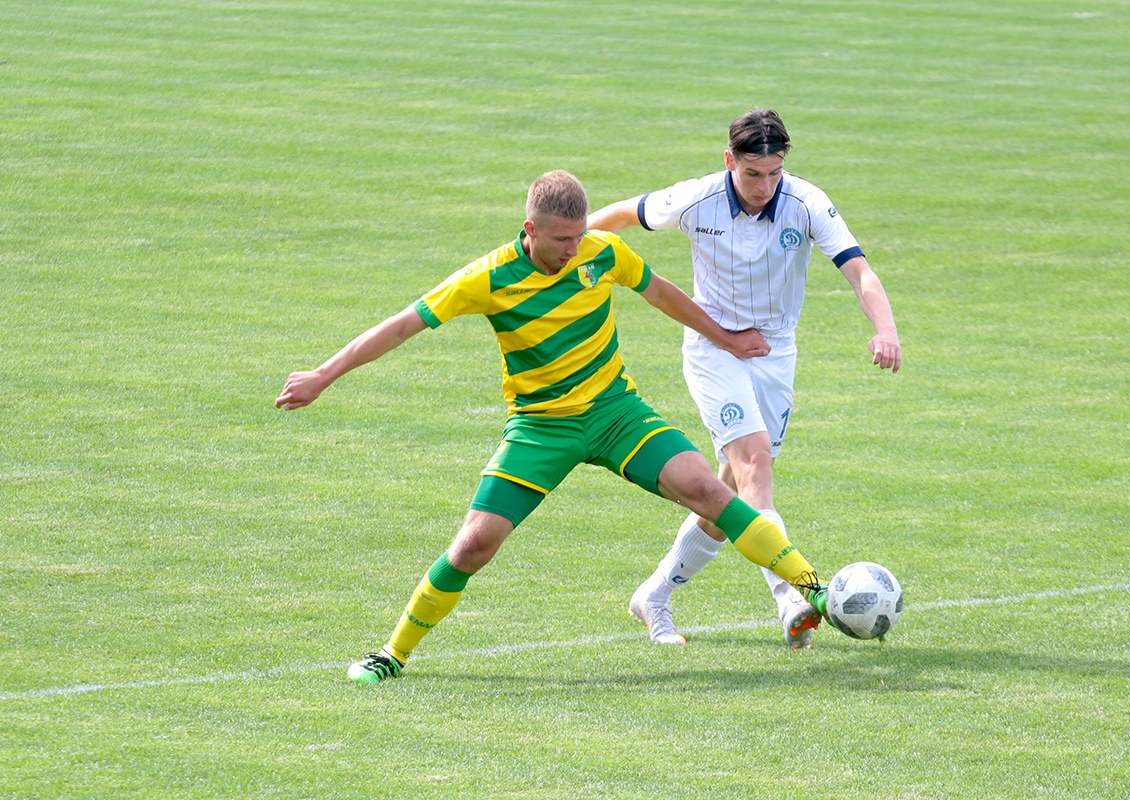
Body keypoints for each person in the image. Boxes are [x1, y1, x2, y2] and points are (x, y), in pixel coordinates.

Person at [276, 170, 832, 683]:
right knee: (473, 546)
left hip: (616, 414)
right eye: (562, 239)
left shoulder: (602, 251)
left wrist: (726, 339)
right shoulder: (487, 278)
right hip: (541, 429)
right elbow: (402, 326)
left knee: (709, 490)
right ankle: (392, 654)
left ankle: (816, 591)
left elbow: (662, 293)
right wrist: (323, 375)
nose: (573, 249)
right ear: (530, 230)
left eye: (579, 235)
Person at [587, 110, 901, 650]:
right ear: (729, 160)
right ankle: (792, 598)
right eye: (753, 174)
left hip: (775, 354)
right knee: (755, 464)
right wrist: (558, 255)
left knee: (729, 495)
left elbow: (858, 269)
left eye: (774, 174)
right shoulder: (696, 198)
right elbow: (615, 217)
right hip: (713, 348)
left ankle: (654, 595)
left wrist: (886, 329)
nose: (764, 186)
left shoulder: (807, 202)